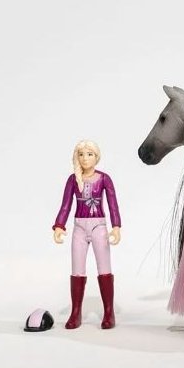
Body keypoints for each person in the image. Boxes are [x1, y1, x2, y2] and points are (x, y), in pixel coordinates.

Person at [53, 140, 121, 328]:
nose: (85, 158)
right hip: (79, 228)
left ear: (96, 157)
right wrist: (59, 225)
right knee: (77, 269)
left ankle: (109, 312)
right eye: (81, 154)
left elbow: (113, 204)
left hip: (99, 226)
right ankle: (76, 312)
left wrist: (116, 226)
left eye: (89, 154)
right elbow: (65, 205)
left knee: (104, 268)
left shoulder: (104, 178)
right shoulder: (73, 179)